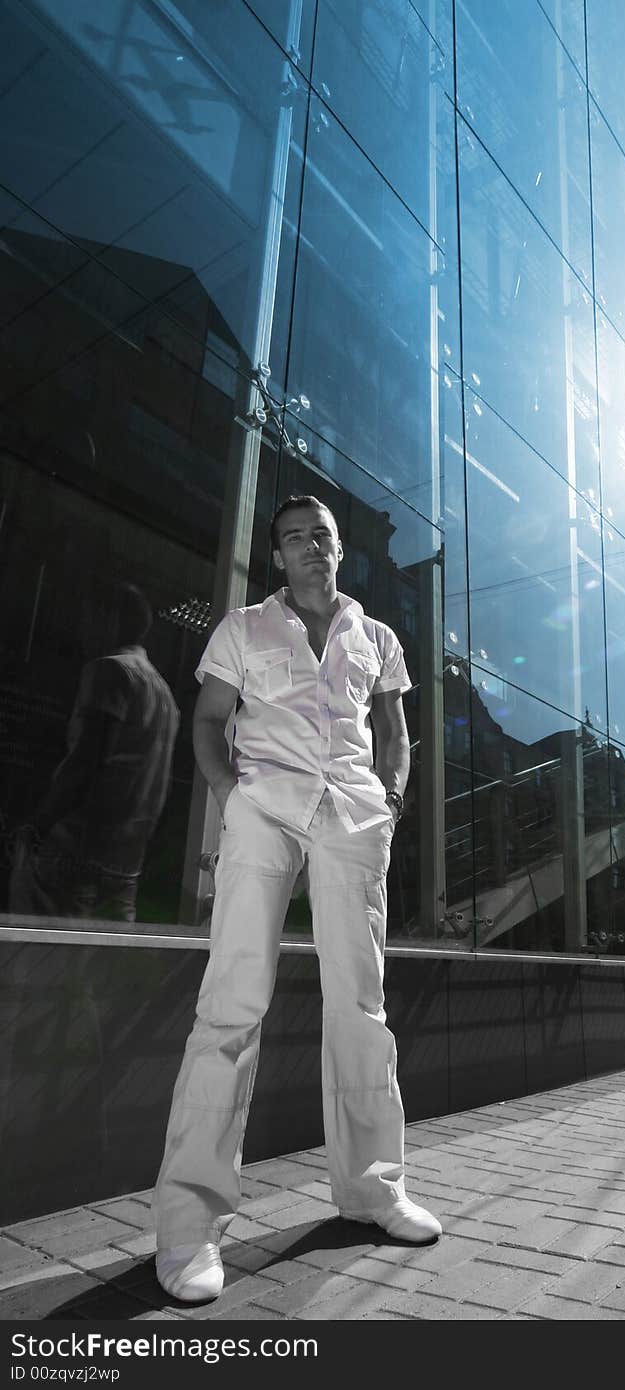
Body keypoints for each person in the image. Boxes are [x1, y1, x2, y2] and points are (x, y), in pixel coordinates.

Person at [152, 495, 441, 1303]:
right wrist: (228, 795)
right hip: (264, 812)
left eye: (322, 535)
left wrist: (391, 793)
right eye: (294, 538)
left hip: (352, 818)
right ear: (276, 555)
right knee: (232, 1005)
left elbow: (395, 728)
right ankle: (188, 1228)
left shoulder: (376, 638)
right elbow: (209, 718)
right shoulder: (243, 628)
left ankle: (373, 1191)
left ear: (341, 548)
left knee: (361, 1004)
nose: (310, 546)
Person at [9, 583, 179, 922]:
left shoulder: (110, 671)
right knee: (101, 966)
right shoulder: (166, 695)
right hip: (127, 861)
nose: (83, 625)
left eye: (89, 615)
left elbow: (84, 761)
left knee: (38, 958)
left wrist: (36, 828)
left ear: (109, 618)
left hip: (75, 850)